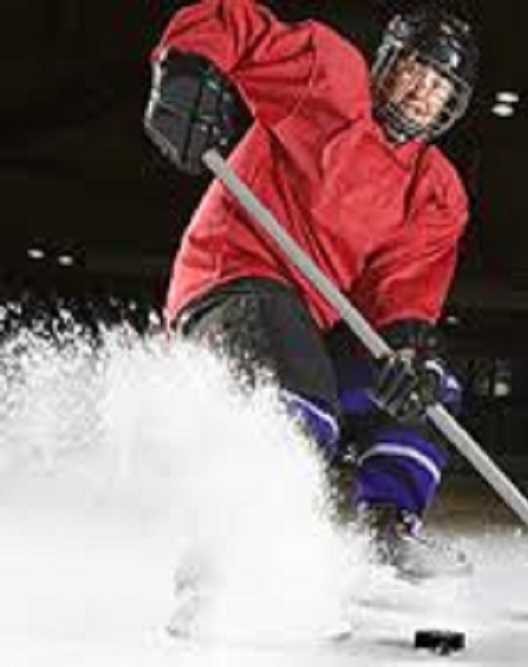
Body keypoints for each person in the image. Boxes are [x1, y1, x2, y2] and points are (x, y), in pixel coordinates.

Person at [143, 0, 479, 581]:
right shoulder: (327, 78)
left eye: (441, 85)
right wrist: (188, 69)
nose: (424, 91)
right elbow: (233, 25)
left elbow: (402, 294)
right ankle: (234, 547)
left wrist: (406, 350)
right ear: (388, 63)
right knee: (299, 399)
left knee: (427, 384)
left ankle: (386, 527)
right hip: (231, 281)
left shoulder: (435, 190)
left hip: (314, 329)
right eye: (416, 70)